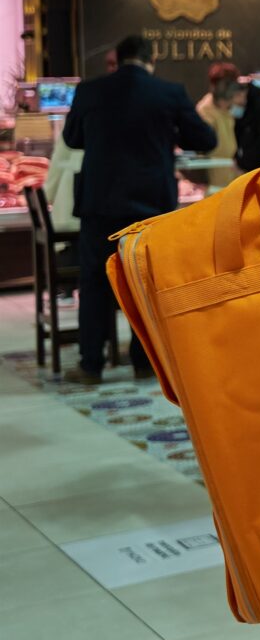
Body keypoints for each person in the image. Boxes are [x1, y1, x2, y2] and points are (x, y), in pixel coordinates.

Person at [61, 35, 217, 383]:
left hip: (100, 203)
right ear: (151, 60)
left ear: (118, 59)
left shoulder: (90, 91)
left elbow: (72, 138)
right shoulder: (169, 93)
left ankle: (91, 364)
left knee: (95, 282)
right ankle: (145, 362)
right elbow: (205, 139)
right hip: (151, 206)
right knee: (146, 282)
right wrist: (169, 133)